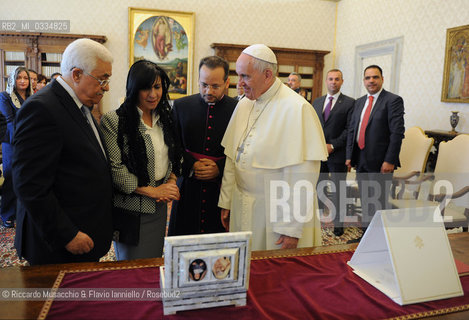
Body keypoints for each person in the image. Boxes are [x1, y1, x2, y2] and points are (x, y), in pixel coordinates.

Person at [12, 38, 114, 265]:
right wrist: (66, 234)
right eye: (102, 79)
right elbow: (29, 185)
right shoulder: (42, 109)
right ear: (76, 74)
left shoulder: (78, 104)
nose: (106, 87)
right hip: (59, 245)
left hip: (83, 233)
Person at [218, 44, 327, 250]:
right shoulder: (243, 104)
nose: (239, 83)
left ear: (267, 74)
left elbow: (302, 177)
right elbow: (233, 158)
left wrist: (291, 228)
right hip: (242, 203)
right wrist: (226, 200)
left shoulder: (297, 108)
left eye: (245, 76)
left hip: (275, 214)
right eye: (238, 75)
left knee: (276, 274)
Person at [100, 60, 182, 260]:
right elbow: (115, 169)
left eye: (157, 87)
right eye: (146, 88)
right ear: (134, 88)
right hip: (131, 210)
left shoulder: (165, 118)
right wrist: (153, 191)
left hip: (160, 207)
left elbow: (175, 154)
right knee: (132, 272)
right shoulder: (115, 120)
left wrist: (170, 183)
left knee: (153, 264)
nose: (153, 94)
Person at [169, 56, 237, 236]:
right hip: (188, 188)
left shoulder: (238, 109)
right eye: (203, 84)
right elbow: (172, 145)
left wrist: (219, 168)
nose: (208, 91)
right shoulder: (181, 106)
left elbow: (244, 150)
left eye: (215, 86)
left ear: (226, 83)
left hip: (221, 190)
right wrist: (192, 165)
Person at [345, 65, 405, 241]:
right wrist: (349, 156)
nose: (371, 81)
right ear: (364, 81)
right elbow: (352, 130)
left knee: (378, 202)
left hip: (381, 163)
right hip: (360, 158)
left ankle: (380, 240)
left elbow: (397, 133)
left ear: (382, 79)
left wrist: (390, 160)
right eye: (368, 78)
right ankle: (366, 237)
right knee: (366, 200)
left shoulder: (393, 100)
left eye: (375, 77)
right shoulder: (359, 102)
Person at [312, 69, 355, 237]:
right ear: (326, 81)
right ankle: (318, 220)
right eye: (330, 79)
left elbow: (349, 129)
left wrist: (333, 145)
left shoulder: (350, 103)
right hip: (319, 153)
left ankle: (339, 224)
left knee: (338, 190)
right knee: (318, 187)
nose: (333, 82)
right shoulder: (317, 101)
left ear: (342, 81)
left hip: (337, 153)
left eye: (337, 79)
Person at [0, 67, 32, 228]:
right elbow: (9, 121)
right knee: (11, 175)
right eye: (19, 77)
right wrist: (22, 140)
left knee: (25, 177)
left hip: (29, 141)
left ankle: (22, 212)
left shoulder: (31, 97)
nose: (22, 81)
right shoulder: (5, 96)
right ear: (13, 79)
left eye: (25, 78)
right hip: (12, 142)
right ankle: (6, 213)